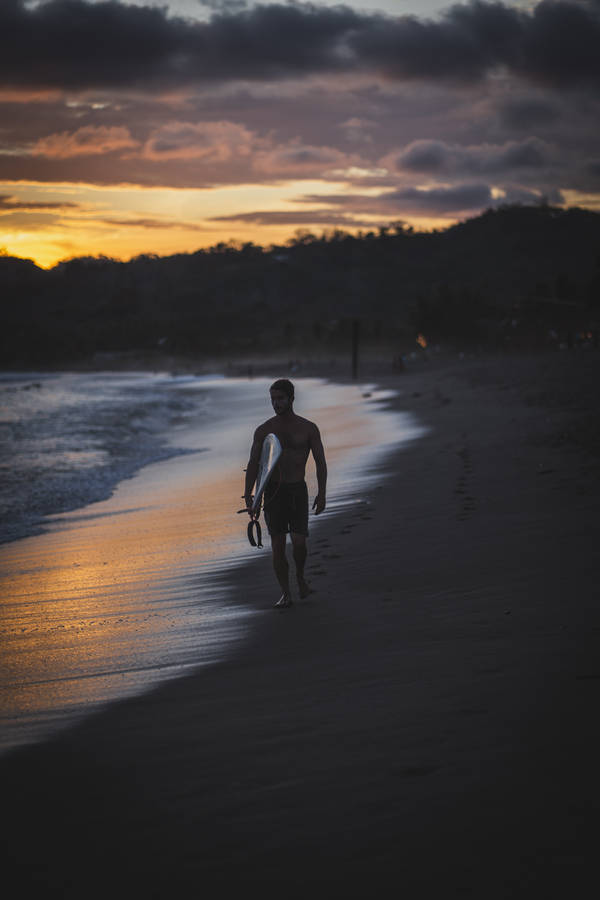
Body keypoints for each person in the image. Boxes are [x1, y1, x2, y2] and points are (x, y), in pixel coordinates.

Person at [244, 379, 327, 608]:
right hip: (274, 493)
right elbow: (254, 464)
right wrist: (250, 495)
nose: (276, 403)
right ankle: (285, 592)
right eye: (272, 399)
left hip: (297, 491)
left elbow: (320, 462)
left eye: (280, 399)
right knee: (278, 546)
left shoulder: (308, 428)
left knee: (299, 543)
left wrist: (322, 493)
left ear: (291, 398)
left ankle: (300, 577)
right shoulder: (264, 430)